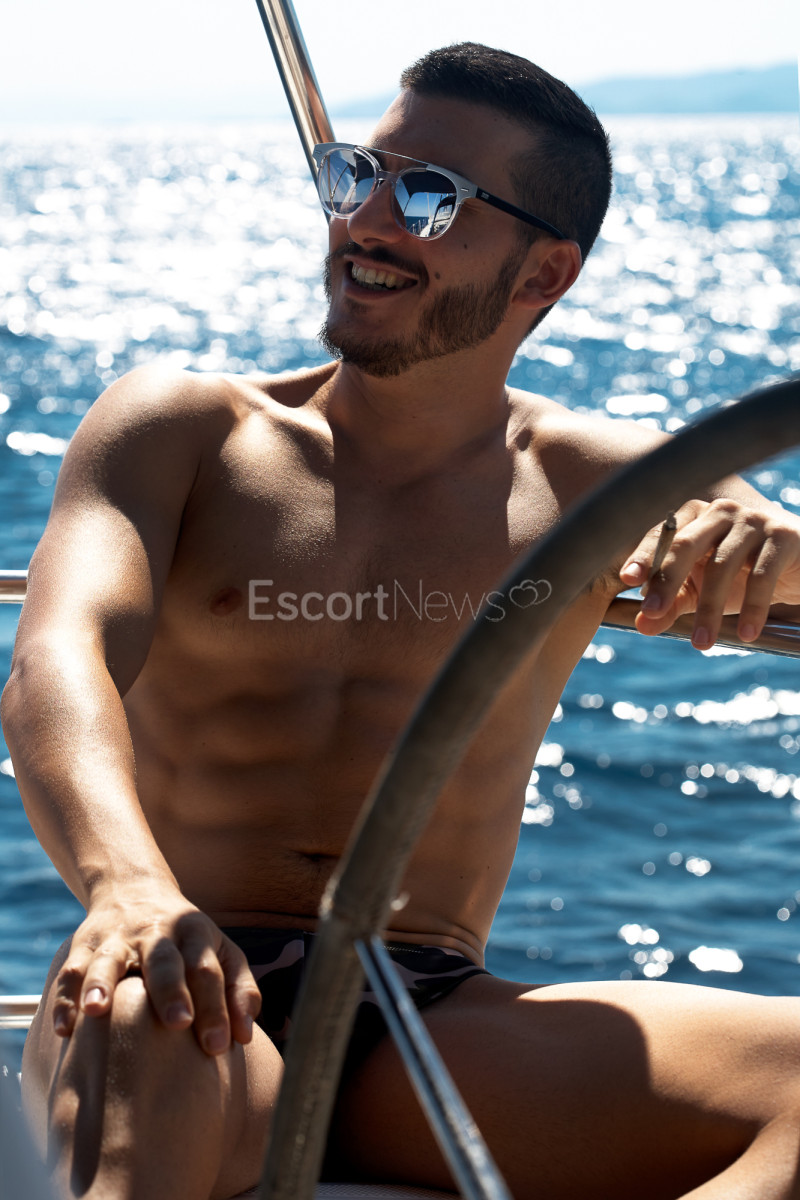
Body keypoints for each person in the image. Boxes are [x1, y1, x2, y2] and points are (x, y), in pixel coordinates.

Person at [3, 41, 800, 1200]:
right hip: (176, 952)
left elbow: (754, 534)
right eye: (357, 174)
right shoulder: (181, 429)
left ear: (543, 273)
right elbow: (55, 656)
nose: (367, 220)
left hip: (428, 1009)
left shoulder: (594, 478)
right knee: (151, 1020)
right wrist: (127, 886)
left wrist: (765, 532)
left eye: (429, 197)